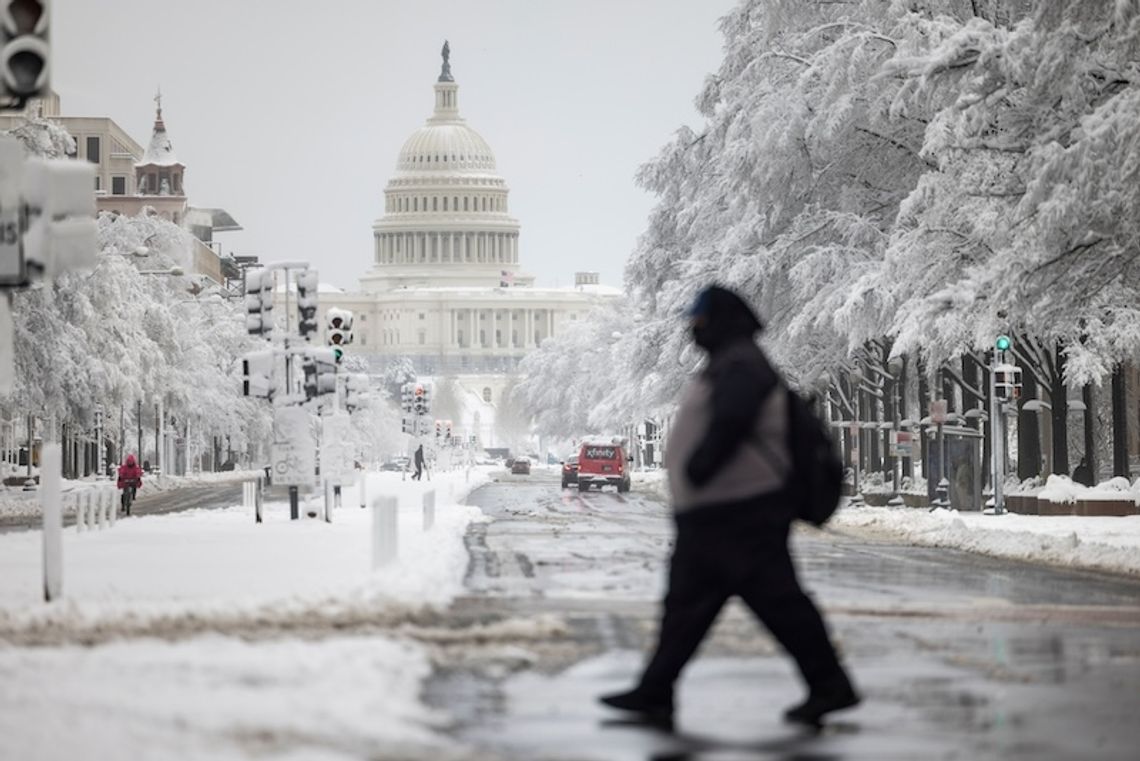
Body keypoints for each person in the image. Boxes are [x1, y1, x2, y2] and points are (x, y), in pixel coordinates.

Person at [599, 285, 859, 727]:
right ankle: (656, 690)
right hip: (723, 513)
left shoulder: (740, 363)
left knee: (775, 603)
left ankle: (829, 685)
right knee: (688, 606)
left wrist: (702, 464)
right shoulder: (733, 360)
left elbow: (734, 416)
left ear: (718, 322)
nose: (691, 330)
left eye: (697, 321)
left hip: (739, 512)